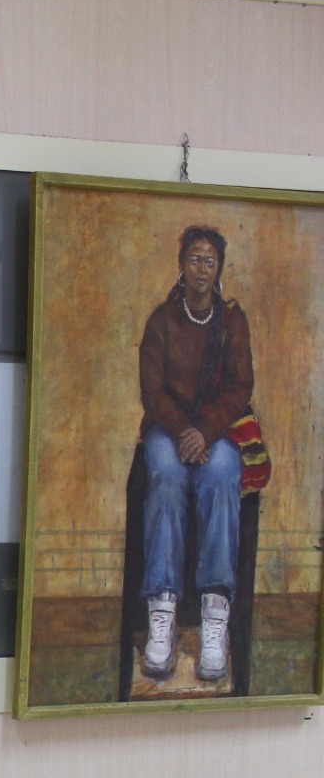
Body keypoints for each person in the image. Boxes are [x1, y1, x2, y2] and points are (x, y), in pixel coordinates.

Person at [137, 225, 252, 682]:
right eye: (194, 259)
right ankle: (161, 614)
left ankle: (214, 617)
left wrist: (205, 432)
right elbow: (151, 391)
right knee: (166, 477)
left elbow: (240, 387)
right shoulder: (161, 321)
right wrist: (184, 431)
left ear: (218, 268)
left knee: (223, 474)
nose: (202, 268)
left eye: (210, 261)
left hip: (214, 432)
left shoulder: (232, 322)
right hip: (168, 430)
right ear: (181, 265)